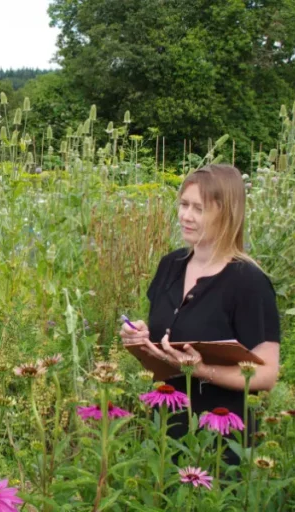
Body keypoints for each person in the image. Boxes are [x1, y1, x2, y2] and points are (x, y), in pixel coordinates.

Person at [119, 164, 281, 464]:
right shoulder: (171, 266)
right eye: (183, 204)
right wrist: (140, 341)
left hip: (221, 439)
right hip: (165, 428)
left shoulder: (248, 281)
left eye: (199, 208)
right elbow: (163, 354)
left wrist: (202, 369)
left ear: (226, 213)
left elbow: (268, 374)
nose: (186, 216)